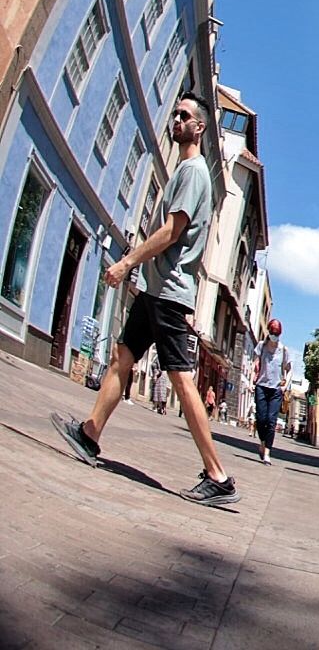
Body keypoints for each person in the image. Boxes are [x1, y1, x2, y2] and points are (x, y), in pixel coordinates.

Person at [51, 93, 238, 506]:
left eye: (185, 116)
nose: (176, 120)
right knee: (122, 357)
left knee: (182, 379)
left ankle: (218, 474)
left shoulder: (194, 173)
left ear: (200, 127)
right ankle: (90, 433)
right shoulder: (185, 172)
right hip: (157, 291)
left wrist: (127, 262)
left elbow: (173, 232)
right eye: (175, 113)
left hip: (168, 294)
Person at [253, 318, 291, 464]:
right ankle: (262, 443)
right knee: (261, 419)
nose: (274, 335)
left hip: (276, 389)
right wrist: (253, 378)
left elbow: (289, 369)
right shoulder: (261, 346)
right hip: (261, 386)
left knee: (271, 420)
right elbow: (255, 363)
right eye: (272, 332)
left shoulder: (284, 350)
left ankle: (267, 452)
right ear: (269, 332)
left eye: (277, 333)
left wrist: (285, 385)